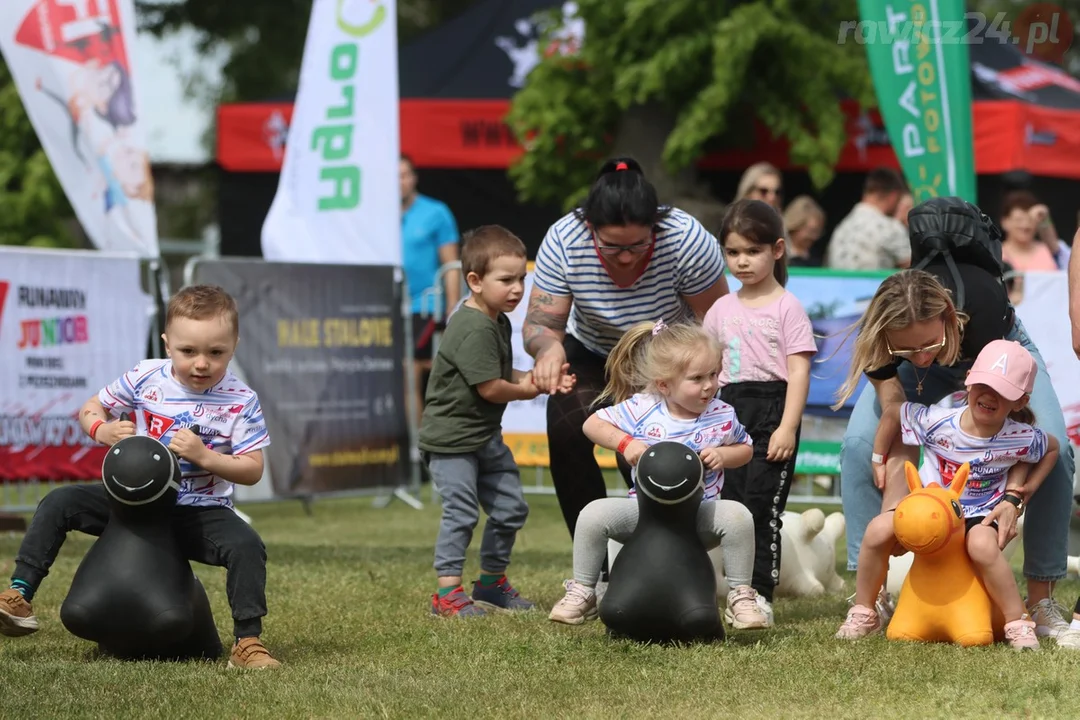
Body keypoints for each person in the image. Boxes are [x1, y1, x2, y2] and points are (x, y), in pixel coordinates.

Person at [0, 285, 279, 669]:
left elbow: (252, 469)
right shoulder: (145, 376)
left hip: (196, 510)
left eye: (216, 352)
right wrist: (102, 430)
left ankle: (248, 643)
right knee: (58, 502)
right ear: (167, 344)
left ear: (235, 344)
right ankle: (19, 596)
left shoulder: (241, 399)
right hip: (131, 505)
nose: (201, 363)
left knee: (247, 545)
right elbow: (91, 407)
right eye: (188, 351)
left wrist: (205, 456)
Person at [834, 268, 1076, 639]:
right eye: (906, 349)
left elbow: (1023, 442)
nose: (920, 356)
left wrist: (1014, 495)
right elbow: (896, 414)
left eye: (926, 344)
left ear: (947, 314)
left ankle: (1040, 600)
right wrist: (897, 507)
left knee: (1057, 452)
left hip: (995, 359)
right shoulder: (885, 335)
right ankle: (872, 597)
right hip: (931, 402)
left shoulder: (983, 312)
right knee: (857, 447)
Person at [524, 157, 729, 546]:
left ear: (656, 226)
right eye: (611, 246)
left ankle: (663, 551)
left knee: (648, 449)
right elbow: (541, 326)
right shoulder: (564, 239)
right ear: (590, 228)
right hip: (590, 351)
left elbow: (717, 323)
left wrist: (703, 380)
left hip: (665, 359)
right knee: (567, 429)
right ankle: (593, 567)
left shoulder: (685, 239)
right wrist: (547, 350)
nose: (625, 257)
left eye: (637, 245)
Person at [547, 321, 770, 629]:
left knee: (739, 517)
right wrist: (626, 444)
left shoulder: (722, 413)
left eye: (713, 375)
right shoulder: (644, 406)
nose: (709, 385)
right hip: (644, 511)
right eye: (697, 378)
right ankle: (585, 590)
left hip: (699, 513)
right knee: (592, 515)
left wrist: (724, 455)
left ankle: (741, 596)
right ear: (664, 385)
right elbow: (592, 425)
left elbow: (745, 448)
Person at [421, 226, 575, 618]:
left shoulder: (498, 321)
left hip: (485, 436)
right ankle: (447, 594)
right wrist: (534, 390)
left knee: (510, 508)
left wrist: (546, 378)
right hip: (451, 441)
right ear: (474, 281)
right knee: (462, 511)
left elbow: (509, 376)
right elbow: (492, 389)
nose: (518, 289)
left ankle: (490, 584)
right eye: (505, 280)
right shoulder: (471, 326)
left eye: (522, 278)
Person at [703, 199, 817, 623]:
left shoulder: (788, 308)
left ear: (778, 249)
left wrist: (787, 427)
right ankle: (733, 591)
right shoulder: (720, 309)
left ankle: (760, 595)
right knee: (726, 505)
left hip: (774, 412)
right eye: (733, 252)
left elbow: (798, 371)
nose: (742, 261)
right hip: (727, 415)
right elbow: (707, 370)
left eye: (753, 251)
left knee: (761, 506)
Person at [400, 154, 461, 422]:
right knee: (401, 370)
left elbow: (451, 265)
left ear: (414, 178)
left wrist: (453, 309)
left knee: (410, 368)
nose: (398, 182)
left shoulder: (435, 213)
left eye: (403, 175)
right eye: (392, 177)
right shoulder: (374, 216)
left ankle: (421, 443)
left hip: (423, 305)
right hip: (385, 304)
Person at [825, 167, 910, 270]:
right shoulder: (891, 227)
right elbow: (913, 271)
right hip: (875, 285)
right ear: (893, 196)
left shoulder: (840, 229)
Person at [782, 195, 825, 267]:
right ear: (795, 226)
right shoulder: (778, 254)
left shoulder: (815, 255)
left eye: (818, 232)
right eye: (811, 231)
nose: (814, 237)